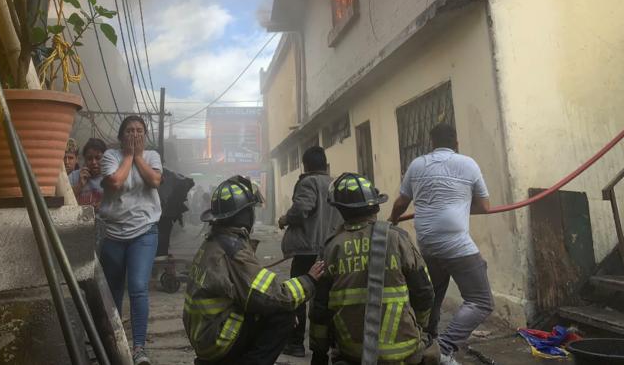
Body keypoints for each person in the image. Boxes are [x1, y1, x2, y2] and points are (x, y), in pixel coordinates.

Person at [184, 175, 326, 365]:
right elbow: (270, 295)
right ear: (243, 215)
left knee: (272, 309)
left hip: (205, 335)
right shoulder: (233, 250)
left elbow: (247, 293)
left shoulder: (213, 242)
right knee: (283, 315)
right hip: (216, 340)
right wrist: (309, 280)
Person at [388, 124, 493, 365]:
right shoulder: (468, 164)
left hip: (426, 244)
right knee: (481, 301)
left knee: (431, 297)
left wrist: (392, 221)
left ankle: (427, 344)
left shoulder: (417, 165)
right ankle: (444, 349)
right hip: (456, 244)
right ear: (456, 143)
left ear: (432, 143)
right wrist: (459, 206)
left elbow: (401, 203)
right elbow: (485, 206)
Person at [310, 172, 438, 365]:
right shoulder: (397, 238)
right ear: (376, 206)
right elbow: (424, 292)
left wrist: (319, 352)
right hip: (405, 353)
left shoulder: (331, 247)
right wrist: (420, 326)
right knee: (435, 351)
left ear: (340, 210)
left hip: (352, 353)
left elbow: (319, 308)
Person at [99, 116, 163, 365]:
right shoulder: (110, 157)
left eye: (139, 130)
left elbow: (154, 181)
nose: (135, 134)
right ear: (121, 136)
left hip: (144, 231)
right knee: (113, 291)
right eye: (129, 131)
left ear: (145, 135)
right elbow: (115, 182)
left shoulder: (152, 156)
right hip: (114, 234)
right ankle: (115, 345)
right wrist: (128, 156)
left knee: (137, 287)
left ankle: (139, 348)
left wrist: (138, 157)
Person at [278, 146, 344, 357]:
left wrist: (285, 219)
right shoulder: (334, 184)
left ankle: (296, 343)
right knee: (325, 297)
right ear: (325, 165)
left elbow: (301, 209)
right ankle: (329, 344)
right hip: (330, 248)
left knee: (298, 293)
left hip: (308, 250)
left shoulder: (308, 182)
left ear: (305, 166)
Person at [70, 137, 105, 209]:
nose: (94, 162)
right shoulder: (74, 176)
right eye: (89, 159)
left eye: (98, 158)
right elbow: (64, 200)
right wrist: (79, 186)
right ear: (85, 159)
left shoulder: (112, 177)